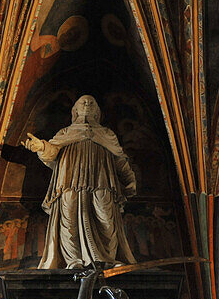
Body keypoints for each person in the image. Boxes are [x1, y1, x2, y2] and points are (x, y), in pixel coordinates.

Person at [22, 95, 138, 269]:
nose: (87, 104)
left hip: (101, 182)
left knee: (106, 216)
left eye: (92, 102)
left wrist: (129, 180)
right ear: (75, 110)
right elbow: (52, 152)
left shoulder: (106, 134)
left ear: (97, 112)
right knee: (69, 218)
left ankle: (106, 260)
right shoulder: (65, 133)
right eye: (83, 102)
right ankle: (73, 260)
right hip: (69, 182)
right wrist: (42, 147)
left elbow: (119, 159)